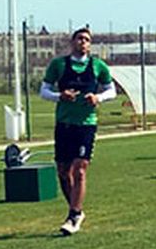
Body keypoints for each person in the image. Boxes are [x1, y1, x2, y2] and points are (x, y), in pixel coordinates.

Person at [41, 27, 116, 235]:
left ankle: (73, 215)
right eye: (79, 39)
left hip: (86, 124)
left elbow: (112, 91)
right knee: (64, 172)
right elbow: (44, 91)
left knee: (80, 169)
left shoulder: (98, 66)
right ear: (72, 42)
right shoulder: (59, 65)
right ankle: (76, 210)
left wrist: (98, 98)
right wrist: (60, 96)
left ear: (90, 45)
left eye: (87, 39)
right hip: (64, 123)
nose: (83, 42)